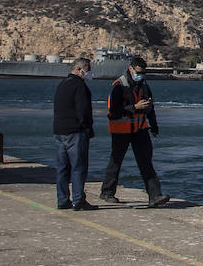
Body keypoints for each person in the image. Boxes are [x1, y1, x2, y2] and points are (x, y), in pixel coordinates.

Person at [101, 55, 170, 208]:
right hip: (121, 130)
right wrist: (134, 108)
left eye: (143, 73)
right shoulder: (118, 86)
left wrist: (154, 125)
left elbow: (150, 108)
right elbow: (113, 111)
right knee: (116, 162)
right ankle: (107, 192)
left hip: (140, 129)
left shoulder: (144, 86)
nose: (141, 76)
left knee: (146, 162)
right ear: (131, 69)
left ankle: (155, 195)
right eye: (139, 72)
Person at [53, 58, 95, 210]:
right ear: (80, 69)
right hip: (75, 132)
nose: (90, 73)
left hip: (59, 131)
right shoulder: (79, 86)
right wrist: (88, 128)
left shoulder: (62, 84)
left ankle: (62, 199)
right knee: (78, 166)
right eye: (88, 69)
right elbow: (83, 110)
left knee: (62, 167)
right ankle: (78, 200)